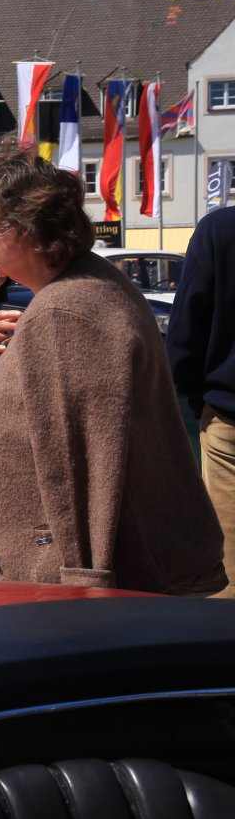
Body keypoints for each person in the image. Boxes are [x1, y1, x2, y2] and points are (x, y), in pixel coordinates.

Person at [0, 151, 223, 595]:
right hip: (100, 580)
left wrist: (85, 589)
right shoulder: (83, 286)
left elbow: (81, 465)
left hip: (82, 589)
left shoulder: (64, 312)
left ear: (22, 227)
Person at [168, 204, 235, 598]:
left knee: (230, 571)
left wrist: (196, 397)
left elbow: (186, 330)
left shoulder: (221, 228)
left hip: (229, 417)